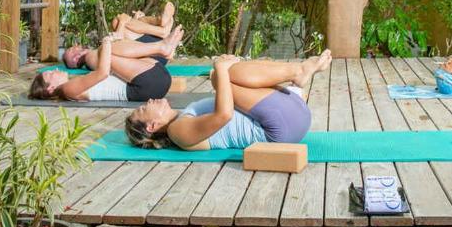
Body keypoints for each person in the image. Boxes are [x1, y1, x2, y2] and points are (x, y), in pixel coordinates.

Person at [125, 51, 333, 150]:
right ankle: (297, 71)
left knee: (221, 76)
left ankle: (297, 75)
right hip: (280, 127)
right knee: (219, 76)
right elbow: (224, 115)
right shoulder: (177, 131)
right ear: (152, 126)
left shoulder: (182, 117)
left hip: (290, 115)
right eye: (144, 108)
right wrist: (222, 70)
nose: (150, 100)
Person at [29, 34, 173, 102]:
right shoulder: (68, 89)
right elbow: (102, 73)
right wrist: (106, 43)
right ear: (50, 88)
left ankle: (162, 49)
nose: (56, 70)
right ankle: (161, 48)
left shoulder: (70, 88)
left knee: (107, 50)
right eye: (50, 74)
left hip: (152, 80)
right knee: (101, 52)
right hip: (147, 84)